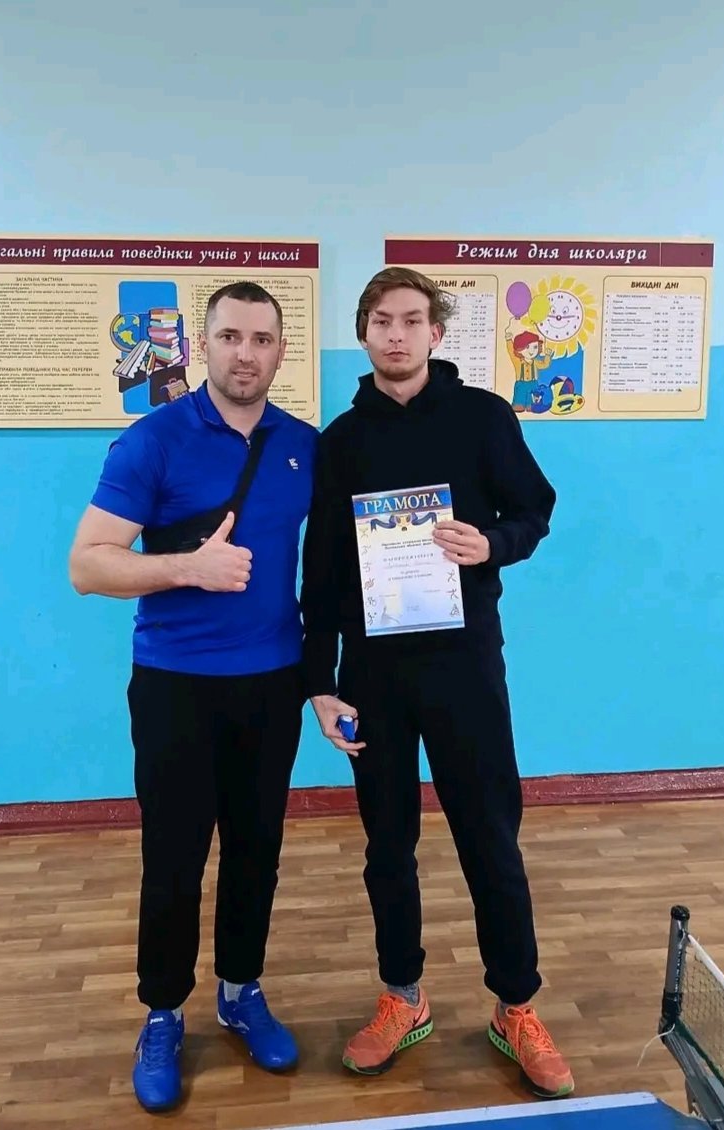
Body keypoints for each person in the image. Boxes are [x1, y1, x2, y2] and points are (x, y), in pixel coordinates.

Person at [300, 267, 574, 1099]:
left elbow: (533, 512)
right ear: (363, 333)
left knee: (489, 836)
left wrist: (491, 545)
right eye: (381, 320)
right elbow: (321, 572)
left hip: (464, 664)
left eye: (411, 320)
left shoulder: (483, 417)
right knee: (387, 845)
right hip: (372, 675)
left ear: (435, 334)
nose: (396, 334)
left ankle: (515, 1006)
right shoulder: (340, 441)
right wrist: (320, 682)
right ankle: (403, 997)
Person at [69, 281, 318, 1113]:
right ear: (201, 346)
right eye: (229, 337)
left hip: (272, 683)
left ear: (280, 351)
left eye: (261, 339)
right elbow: (87, 565)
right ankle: (163, 1013)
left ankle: (241, 991)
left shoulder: (303, 445)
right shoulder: (154, 440)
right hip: (175, 686)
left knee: (256, 850)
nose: (245, 353)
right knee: (174, 857)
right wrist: (187, 568)